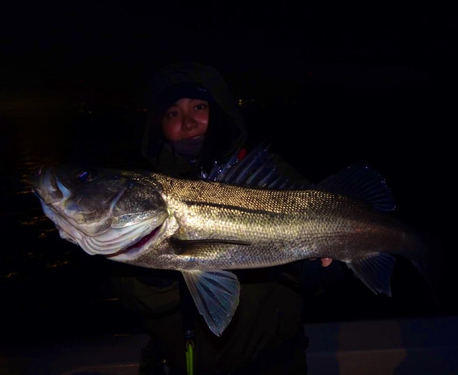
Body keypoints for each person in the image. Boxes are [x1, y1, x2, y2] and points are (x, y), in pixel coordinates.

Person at [111, 62, 337, 375]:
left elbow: (330, 231)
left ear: (218, 111)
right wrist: (151, 275)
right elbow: (139, 303)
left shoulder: (268, 174)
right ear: (159, 125)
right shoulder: (141, 194)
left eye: (199, 107)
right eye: (173, 114)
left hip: (279, 365)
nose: (188, 123)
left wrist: (314, 272)